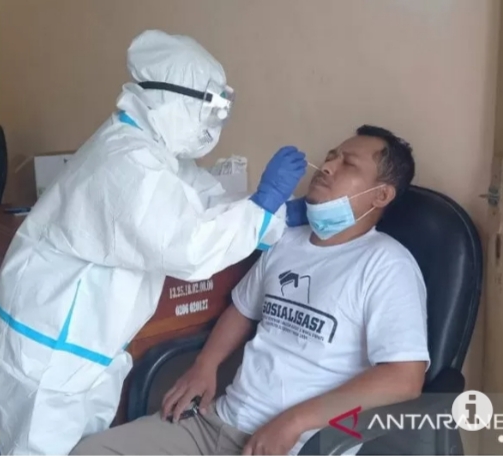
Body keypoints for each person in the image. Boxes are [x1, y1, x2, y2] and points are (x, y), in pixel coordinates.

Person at [0, 29, 308, 455]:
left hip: (84, 343)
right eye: (211, 109)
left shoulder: (151, 150)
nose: (215, 124)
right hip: (50, 346)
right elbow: (189, 245)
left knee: (83, 447)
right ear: (170, 98)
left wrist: (275, 215)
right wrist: (262, 207)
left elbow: (204, 200)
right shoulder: (127, 161)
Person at [72, 125, 430, 455]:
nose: (326, 167)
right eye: (331, 156)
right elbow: (242, 309)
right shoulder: (287, 240)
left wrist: (294, 422)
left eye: (347, 163)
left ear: (380, 194)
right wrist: (205, 365)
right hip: (217, 423)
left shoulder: (386, 265)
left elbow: (404, 378)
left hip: (298, 445)